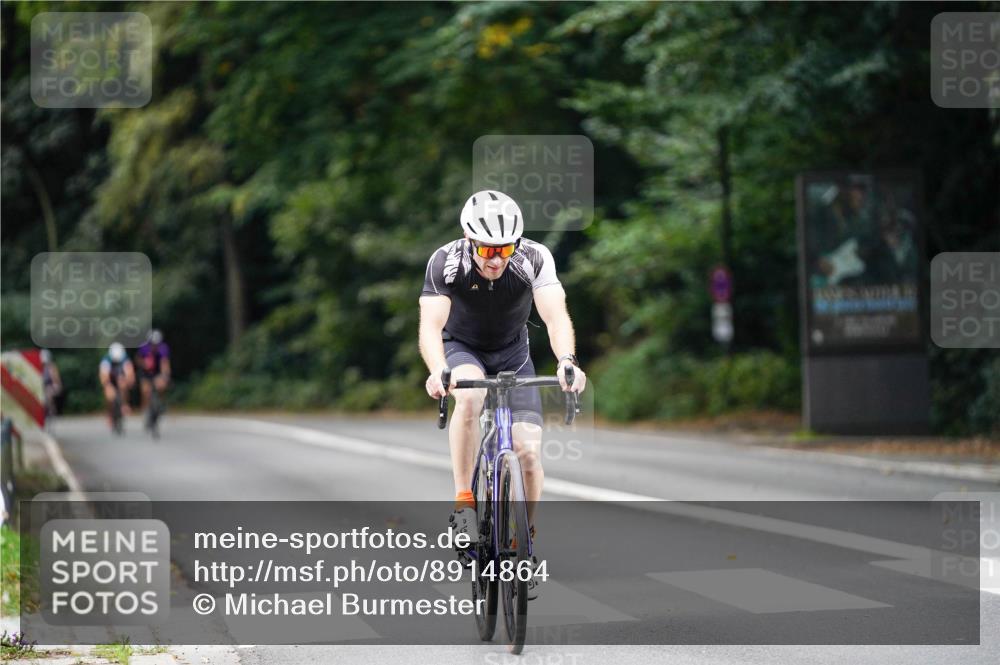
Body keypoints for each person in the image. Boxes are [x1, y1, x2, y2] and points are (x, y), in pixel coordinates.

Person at [419, 190, 587, 597]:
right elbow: (430, 326)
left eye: (505, 248)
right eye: (488, 249)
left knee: (528, 453)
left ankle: (525, 546)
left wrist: (567, 359)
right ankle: (465, 503)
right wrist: (437, 369)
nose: (496, 258)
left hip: (514, 353)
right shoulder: (447, 262)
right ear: (468, 239)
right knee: (471, 398)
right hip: (462, 347)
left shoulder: (533, 258)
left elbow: (554, 314)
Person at [136, 329, 171, 424]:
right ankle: (145, 411)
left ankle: (160, 405)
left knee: (161, 385)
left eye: (156, 344)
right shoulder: (143, 348)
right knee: (145, 391)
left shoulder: (163, 348)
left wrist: (166, 375)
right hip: (145, 373)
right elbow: (138, 360)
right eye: (152, 344)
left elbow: (165, 363)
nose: (154, 346)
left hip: (157, 372)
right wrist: (144, 364)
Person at [99, 342, 135, 428]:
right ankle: (110, 414)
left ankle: (124, 404)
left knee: (123, 384)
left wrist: (129, 381)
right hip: (109, 381)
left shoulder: (125, 359)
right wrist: (107, 385)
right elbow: (104, 376)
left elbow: (130, 372)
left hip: (120, 379)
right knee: (109, 396)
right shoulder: (106, 360)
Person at [40, 349, 62, 423]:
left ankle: (51, 411)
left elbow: (56, 379)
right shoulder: (40, 367)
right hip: (43, 386)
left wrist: (56, 385)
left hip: (51, 386)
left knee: (48, 394)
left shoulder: (52, 367)